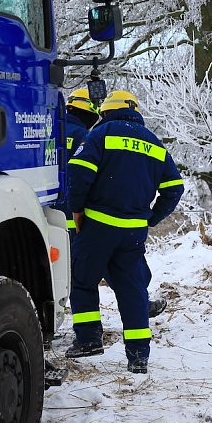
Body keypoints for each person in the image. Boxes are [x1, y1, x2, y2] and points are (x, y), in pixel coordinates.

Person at [65, 90, 184, 374]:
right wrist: (152, 218)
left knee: (82, 280)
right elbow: (174, 188)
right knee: (132, 290)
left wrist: (77, 209)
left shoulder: (101, 134)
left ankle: (89, 340)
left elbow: (79, 172)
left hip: (98, 226)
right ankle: (138, 356)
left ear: (105, 112)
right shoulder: (154, 143)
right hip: (133, 232)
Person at [53, 89, 99, 233]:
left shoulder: (49, 129)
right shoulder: (85, 137)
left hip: (44, 208)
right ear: (90, 113)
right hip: (70, 211)